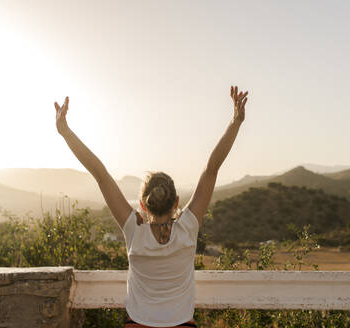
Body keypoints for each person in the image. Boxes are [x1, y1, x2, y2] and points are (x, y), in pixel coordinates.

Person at [54, 86, 248, 328]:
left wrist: (65, 132)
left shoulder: (134, 230)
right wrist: (235, 122)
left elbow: (100, 174)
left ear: (143, 206)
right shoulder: (187, 227)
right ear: (176, 202)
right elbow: (212, 169)